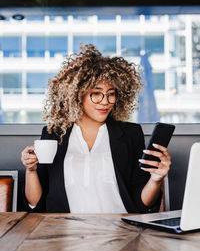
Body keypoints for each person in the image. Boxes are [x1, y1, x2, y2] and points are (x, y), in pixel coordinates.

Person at [21, 44, 171, 213]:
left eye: (111, 93)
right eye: (96, 93)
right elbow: (36, 204)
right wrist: (31, 170)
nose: (105, 101)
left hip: (120, 230)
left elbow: (142, 203)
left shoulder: (130, 134)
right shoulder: (54, 134)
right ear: (78, 94)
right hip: (64, 231)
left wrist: (156, 179)